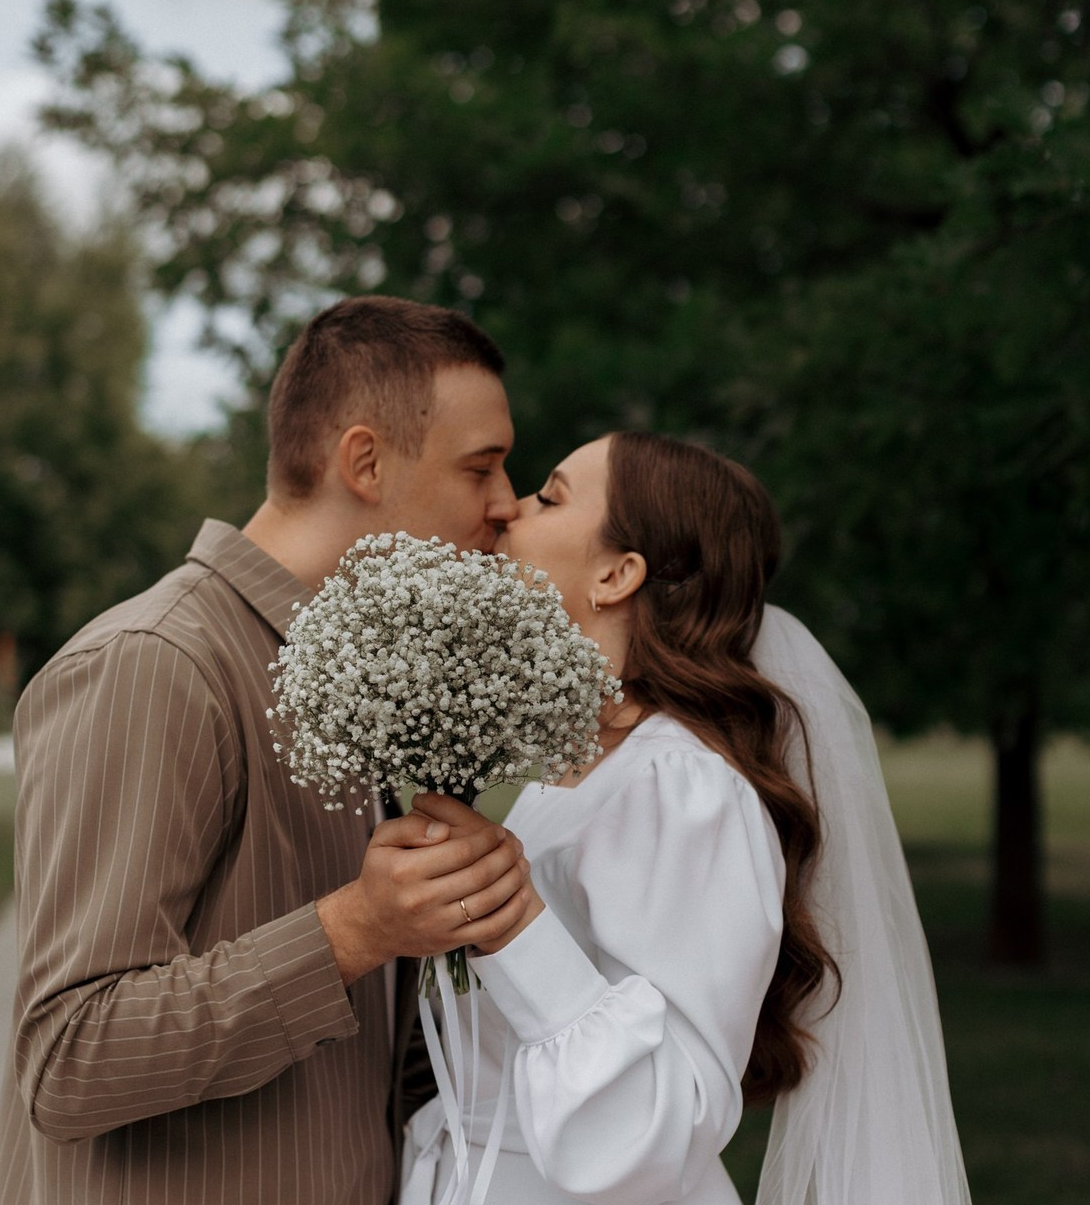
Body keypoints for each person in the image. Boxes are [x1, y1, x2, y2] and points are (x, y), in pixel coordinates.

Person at [0, 295, 535, 1205]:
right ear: (363, 460)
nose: (506, 506)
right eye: (481, 467)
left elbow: (358, 1068)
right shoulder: (156, 666)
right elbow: (69, 1058)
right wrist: (356, 928)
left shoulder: (338, 673)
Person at [401, 432, 972, 1205]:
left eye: (550, 495)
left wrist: (511, 920)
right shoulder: (581, 766)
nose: (509, 509)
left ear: (617, 573)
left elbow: (658, 1124)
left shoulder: (684, 789)